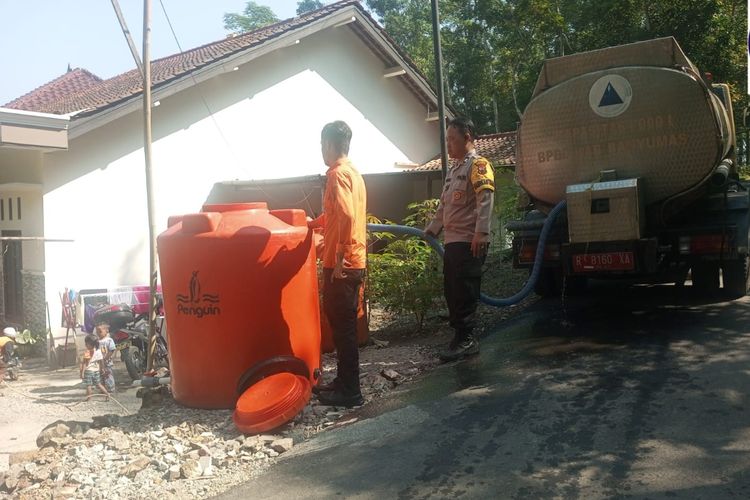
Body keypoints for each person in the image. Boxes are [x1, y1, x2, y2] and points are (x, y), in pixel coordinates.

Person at [425, 117, 495, 362]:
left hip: (469, 240)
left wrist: (482, 232)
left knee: (465, 291)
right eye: (446, 140)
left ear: (467, 138)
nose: (448, 144)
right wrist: (433, 228)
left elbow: (484, 198)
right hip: (453, 242)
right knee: (452, 290)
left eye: (452, 139)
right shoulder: (455, 169)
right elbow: (445, 205)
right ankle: (459, 337)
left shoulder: (478, 165)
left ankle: (467, 340)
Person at [308, 120, 367, 407]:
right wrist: (313, 223)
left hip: (342, 263)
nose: (321, 151)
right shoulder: (353, 173)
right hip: (351, 261)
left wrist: (340, 258)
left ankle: (351, 392)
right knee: (343, 327)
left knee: (343, 330)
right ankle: (343, 383)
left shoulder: (337, 175)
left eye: (322, 145)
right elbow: (336, 214)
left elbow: (345, 217)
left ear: (330, 145)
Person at [80, 334, 109, 401]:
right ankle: (107, 394)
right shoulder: (98, 351)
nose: (85, 345)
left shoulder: (87, 352)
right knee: (98, 384)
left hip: (88, 370)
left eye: (86, 343)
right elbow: (101, 361)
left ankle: (89, 398)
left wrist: (82, 372)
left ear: (90, 344)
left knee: (88, 385)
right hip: (96, 370)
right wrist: (102, 369)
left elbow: (84, 363)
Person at [96, 324, 116, 393]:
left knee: (108, 374)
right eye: (97, 332)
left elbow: (112, 350)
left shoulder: (109, 340)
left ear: (106, 331)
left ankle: (111, 388)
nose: (98, 333)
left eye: (100, 331)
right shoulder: (97, 341)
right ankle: (103, 389)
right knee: (101, 375)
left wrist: (106, 358)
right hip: (99, 362)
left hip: (107, 362)